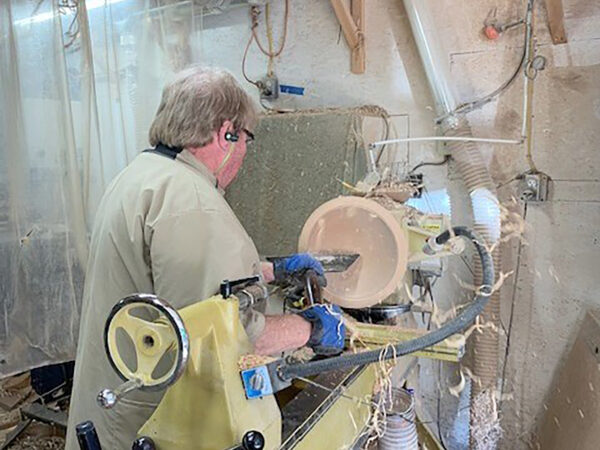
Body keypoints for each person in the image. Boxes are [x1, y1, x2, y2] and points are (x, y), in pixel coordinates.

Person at [65, 67, 345, 449]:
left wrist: (270, 270)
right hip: (152, 421)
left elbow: (167, 275)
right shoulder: (191, 202)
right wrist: (310, 328)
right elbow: (227, 336)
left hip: (112, 402)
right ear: (225, 132)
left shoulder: (144, 174)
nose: (245, 151)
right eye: (246, 138)